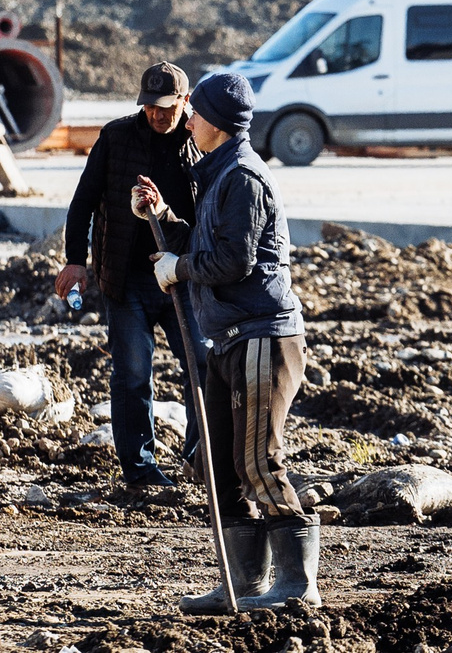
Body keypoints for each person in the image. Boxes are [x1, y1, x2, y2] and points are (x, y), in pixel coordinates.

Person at [133, 70, 318, 614]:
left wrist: (179, 268)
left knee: (259, 461)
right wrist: (164, 217)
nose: (188, 118)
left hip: (263, 334)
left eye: (195, 112)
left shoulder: (243, 178)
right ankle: (243, 585)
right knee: (220, 464)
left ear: (215, 120)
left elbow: (233, 262)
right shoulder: (215, 174)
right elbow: (211, 243)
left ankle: (297, 584)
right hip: (228, 337)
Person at [57, 62, 198, 494]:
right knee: (133, 375)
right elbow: (83, 200)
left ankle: (201, 457)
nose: (157, 115)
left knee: (204, 368)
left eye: (167, 108)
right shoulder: (117, 137)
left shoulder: (199, 143)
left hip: (182, 277)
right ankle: (140, 471)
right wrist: (75, 261)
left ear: (184, 102)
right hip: (126, 278)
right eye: (150, 106)